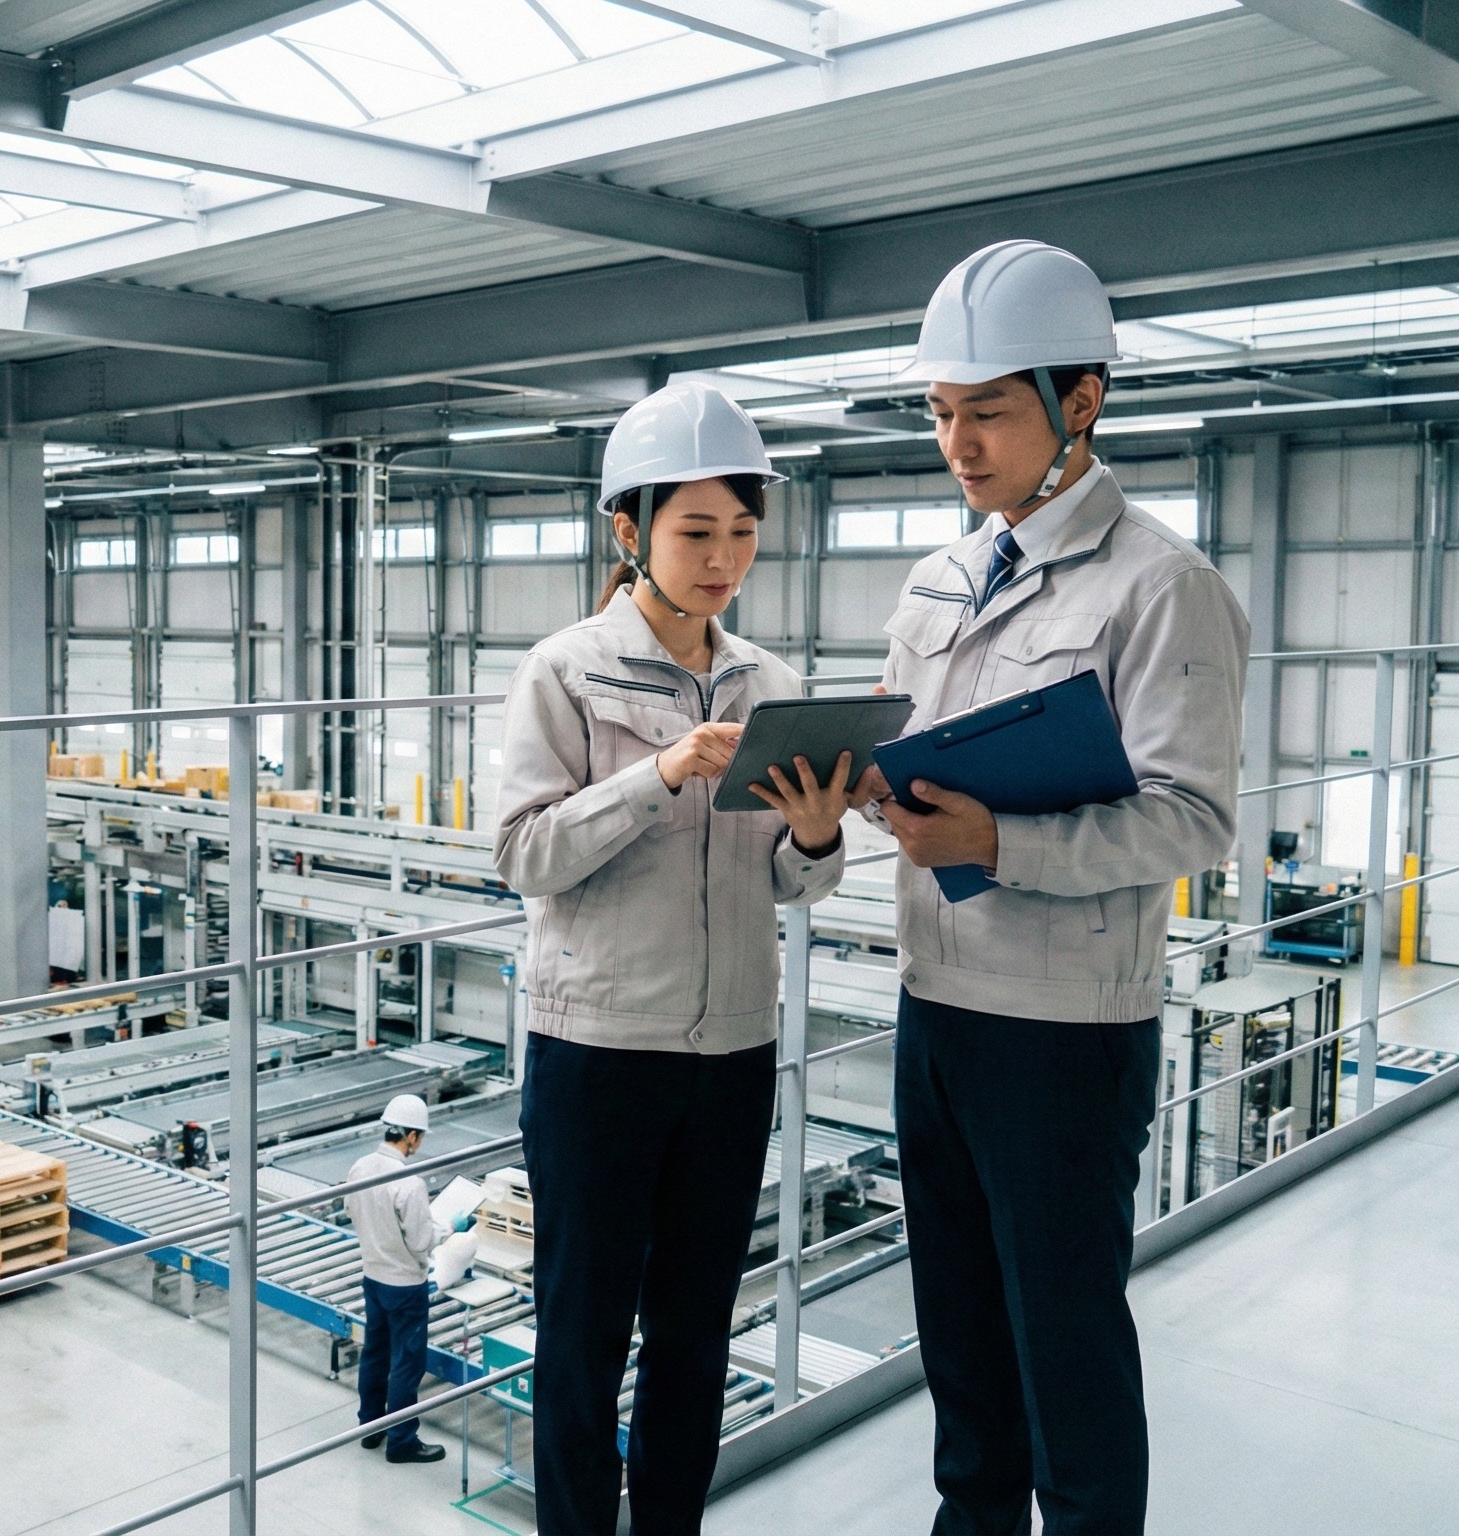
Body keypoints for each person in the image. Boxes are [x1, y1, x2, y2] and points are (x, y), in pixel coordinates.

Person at [860, 240, 1246, 1535]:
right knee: (961, 1365)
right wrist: (864, 790)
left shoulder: (1159, 585)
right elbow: (923, 764)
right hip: (935, 1007)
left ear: (1080, 400)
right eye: (941, 413)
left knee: (1064, 1365)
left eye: (988, 410)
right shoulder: (933, 584)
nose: (958, 443)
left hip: (1065, 1035)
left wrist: (1000, 844)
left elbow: (1189, 818)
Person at [495, 379, 854, 1536]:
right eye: (695, 532)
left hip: (731, 1052)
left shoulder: (772, 684)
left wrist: (812, 832)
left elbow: (795, 883)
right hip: (597, 1052)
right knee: (582, 1338)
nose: (720, 560)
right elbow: (521, 853)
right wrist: (653, 776)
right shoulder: (564, 671)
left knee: (696, 1335)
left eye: (741, 532)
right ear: (627, 531)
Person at [344, 1094, 461, 1466]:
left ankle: (370, 1428)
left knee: (374, 1354)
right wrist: (447, 1229)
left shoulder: (360, 1167)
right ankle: (401, 1441)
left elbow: (351, 1209)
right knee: (407, 1363)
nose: (419, 1144)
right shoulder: (408, 1183)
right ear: (410, 1136)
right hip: (405, 1286)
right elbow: (421, 1241)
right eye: (420, 1138)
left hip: (372, 1276)